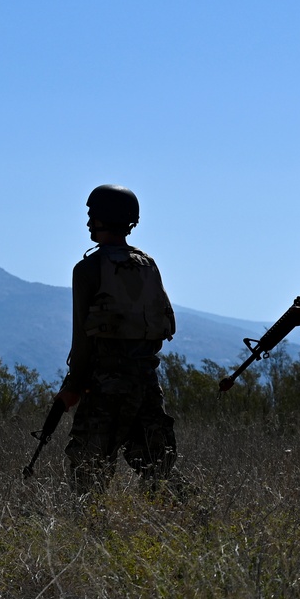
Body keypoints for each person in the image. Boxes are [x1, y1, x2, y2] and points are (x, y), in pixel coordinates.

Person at [55, 184, 178, 494]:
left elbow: (83, 339)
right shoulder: (147, 265)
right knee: (158, 470)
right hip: (147, 383)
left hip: (105, 387)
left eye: (91, 216)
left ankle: (90, 536)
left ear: (100, 220)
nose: (87, 224)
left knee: (87, 471)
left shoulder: (88, 269)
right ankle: (193, 524)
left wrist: (73, 387)